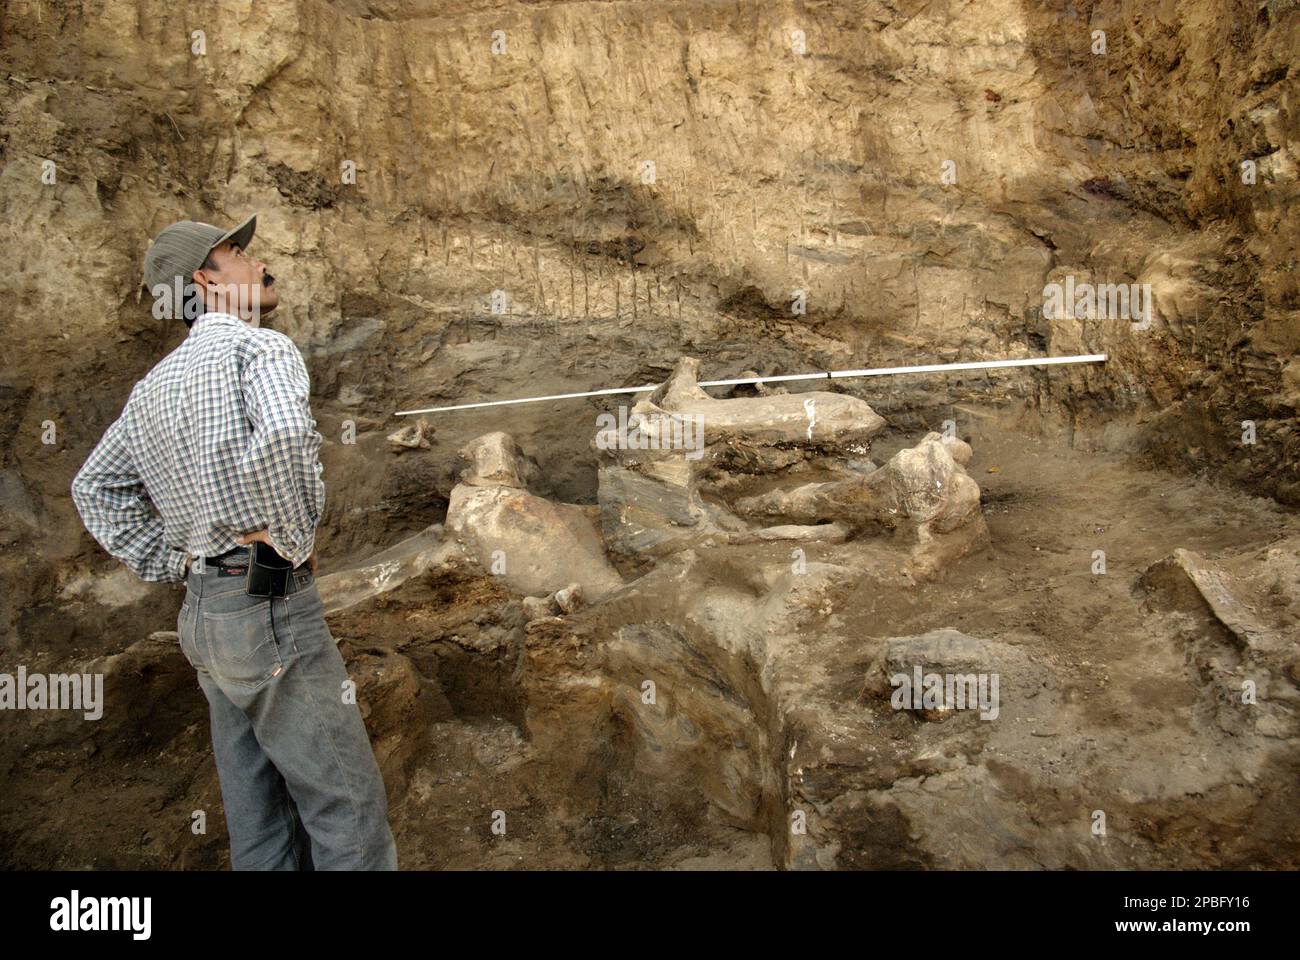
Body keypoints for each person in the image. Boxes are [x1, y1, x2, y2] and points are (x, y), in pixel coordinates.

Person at [71, 213, 397, 870]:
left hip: (204, 613)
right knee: (345, 807)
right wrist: (289, 543)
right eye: (236, 252)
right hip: (264, 598)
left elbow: (94, 486)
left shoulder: (152, 389)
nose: (258, 261)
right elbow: (279, 441)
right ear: (205, 280)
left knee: (259, 822)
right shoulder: (260, 349)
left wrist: (175, 558)